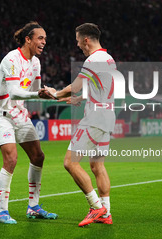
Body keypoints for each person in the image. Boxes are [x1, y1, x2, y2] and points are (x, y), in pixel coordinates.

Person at [45, 23, 115, 227]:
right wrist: (80, 98)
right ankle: (106, 212)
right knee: (97, 166)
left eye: (78, 41)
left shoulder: (93, 59)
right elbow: (99, 87)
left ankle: (95, 207)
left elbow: (75, 86)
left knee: (70, 162)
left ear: (86, 39)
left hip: (94, 119)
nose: (77, 45)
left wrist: (55, 93)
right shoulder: (108, 59)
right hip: (107, 116)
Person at [0, 22, 57, 224]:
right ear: (28, 39)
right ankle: (2, 211)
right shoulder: (11, 59)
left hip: (20, 114)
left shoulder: (35, 63)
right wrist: (39, 93)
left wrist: (56, 96)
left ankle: (33, 207)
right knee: (11, 159)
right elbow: (15, 91)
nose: (44, 42)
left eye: (45, 38)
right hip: (2, 115)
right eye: (40, 38)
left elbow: (35, 92)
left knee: (38, 156)